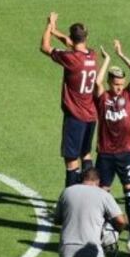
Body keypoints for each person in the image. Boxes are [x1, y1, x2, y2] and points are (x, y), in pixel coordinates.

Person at [40, 12, 98, 187]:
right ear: (86, 37)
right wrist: (57, 31)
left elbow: (44, 46)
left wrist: (49, 26)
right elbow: (71, 43)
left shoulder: (71, 59)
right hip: (91, 115)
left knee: (72, 160)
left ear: (72, 37)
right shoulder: (92, 55)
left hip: (75, 116)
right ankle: (92, 192)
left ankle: (71, 198)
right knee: (86, 154)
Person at [94, 39, 130, 230]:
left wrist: (121, 55)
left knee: (129, 189)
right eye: (116, 84)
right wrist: (106, 60)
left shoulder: (129, 97)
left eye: (122, 84)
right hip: (105, 153)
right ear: (110, 83)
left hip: (126, 151)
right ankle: (101, 227)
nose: (119, 87)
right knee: (102, 191)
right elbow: (97, 82)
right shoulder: (103, 98)